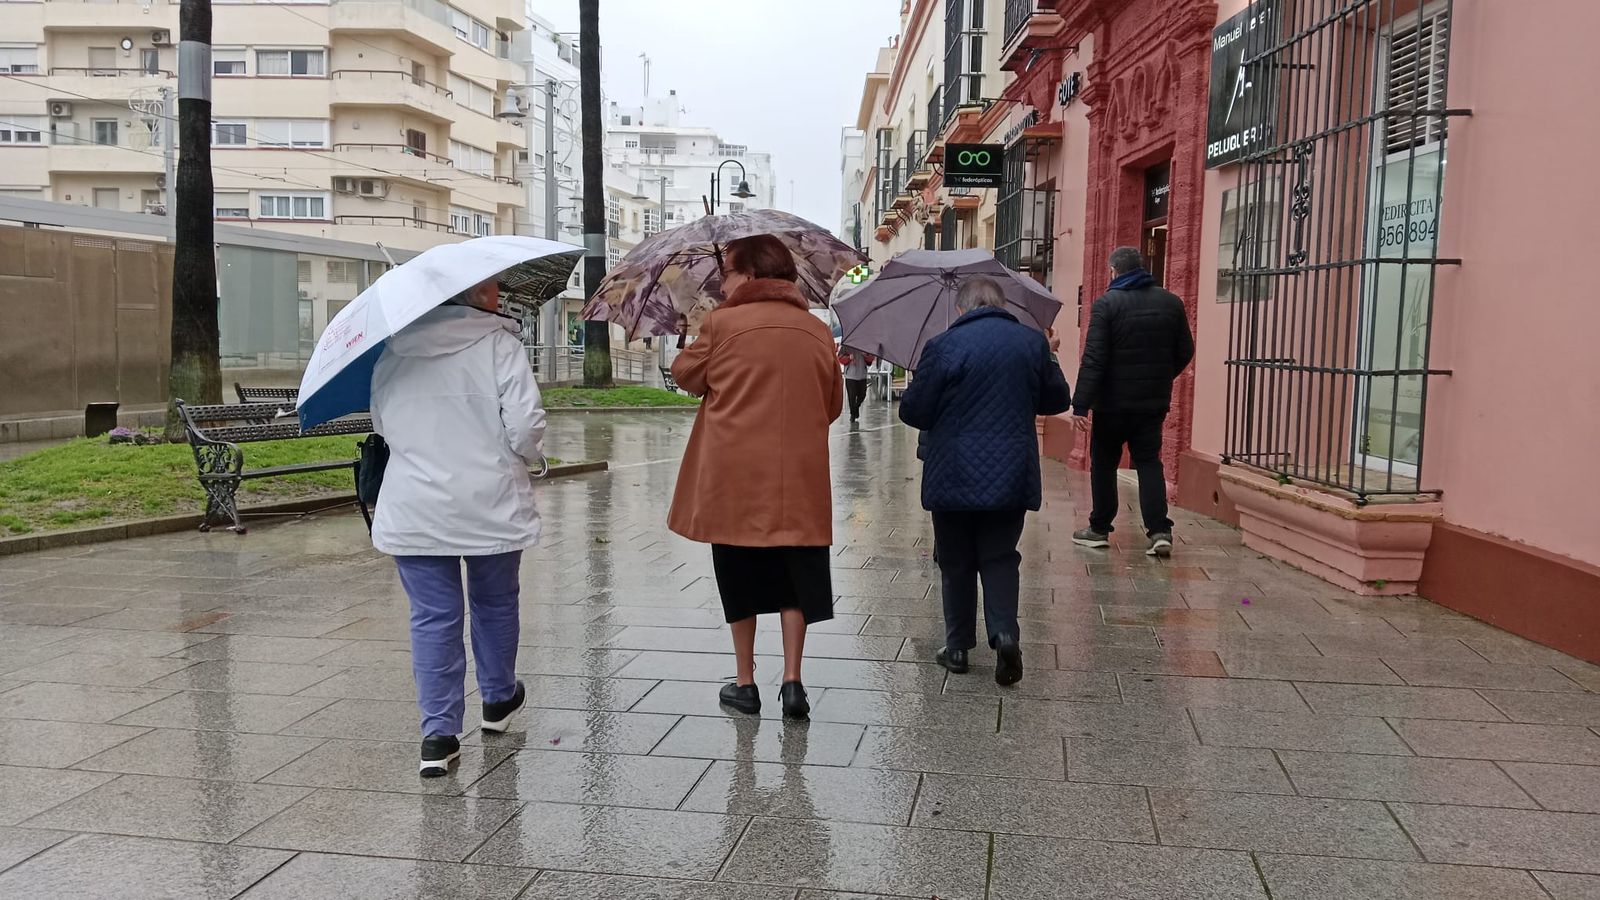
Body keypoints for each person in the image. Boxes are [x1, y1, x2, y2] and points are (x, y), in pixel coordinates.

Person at [369, 276, 545, 777]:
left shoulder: (393, 351)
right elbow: (525, 426)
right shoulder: (499, 345)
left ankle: (438, 736)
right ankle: (498, 699)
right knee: (495, 601)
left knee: (432, 616)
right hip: (490, 499)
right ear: (467, 295)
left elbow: (382, 424)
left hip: (416, 503)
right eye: (489, 287)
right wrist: (529, 458)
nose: (498, 293)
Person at [669, 234, 843, 718]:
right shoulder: (817, 331)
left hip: (735, 476)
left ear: (749, 275)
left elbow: (686, 376)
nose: (723, 284)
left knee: (739, 574)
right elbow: (832, 405)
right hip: (799, 478)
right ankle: (793, 682)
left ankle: (745, 683)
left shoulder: (722, 324)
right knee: (795, 576)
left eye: (726, 274)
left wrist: (696, 333)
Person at [900, 276, 1071, 685]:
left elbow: (914, 412)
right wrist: (1050, 357)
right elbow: (1057, 400)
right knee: (1000, 556)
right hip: (1011, 471)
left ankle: (958, 648)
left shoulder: (942, 346)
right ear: (1002, 305)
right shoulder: (1031, 344)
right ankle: (1005, 634)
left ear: (961, 308)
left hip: (952, 472)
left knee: (956, 560)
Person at [1070, 246, 1196, 557]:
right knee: (1149, 462)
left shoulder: (1106, 304)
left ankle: (1099, 528)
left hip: (1111, 404)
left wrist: (1081, 404)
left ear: (1114, 271)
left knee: (1104, 463)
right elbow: (1185, 350)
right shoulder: (1171, 303)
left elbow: (1094, 358)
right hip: (1151, 404)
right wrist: (1161, 377)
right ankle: (1159, 531)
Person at [839, 346, 875, 422]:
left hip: (862, 375)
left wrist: (865, 355)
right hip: (850, 375)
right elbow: (840, 358)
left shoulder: (866, 345)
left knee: (862, 395)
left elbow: (870, 360)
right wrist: (849, 358)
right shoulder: (846, 346)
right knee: (851, 396)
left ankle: (856, 408)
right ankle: (852, 414)